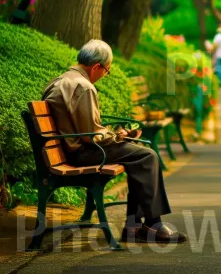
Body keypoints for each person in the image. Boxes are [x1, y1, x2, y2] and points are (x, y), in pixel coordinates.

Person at [42, 40, 187, 244]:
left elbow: (86, 129)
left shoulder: (60, 80)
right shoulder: (84, 87)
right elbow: (91, 135)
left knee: (140, 155)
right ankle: (151, 225)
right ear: (96, 67)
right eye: (106, 71)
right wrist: (120, 136)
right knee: (147, 156)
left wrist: (117, 136)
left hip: (67, 149)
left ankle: (136, 226)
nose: (104, 75)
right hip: (82, 153)